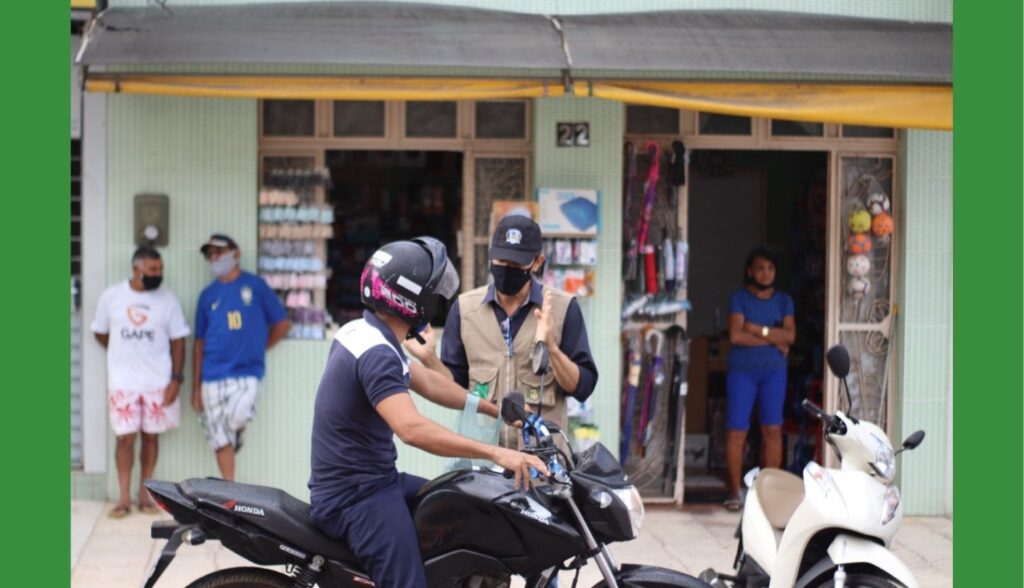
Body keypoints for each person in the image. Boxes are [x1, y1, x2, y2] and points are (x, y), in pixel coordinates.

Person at [309, 237, 548, 588]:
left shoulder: (366, 333)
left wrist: (494, 409)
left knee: (469, 506)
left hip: (375, 481)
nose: (435, 302)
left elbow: (431, 384)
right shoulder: (376, 353)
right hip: (357, 497)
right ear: (410, 300)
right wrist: (497, 452)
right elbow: (411, 429)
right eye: (431, 294)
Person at [405, 215, 598, 449]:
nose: (506, 270)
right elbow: (456, 390)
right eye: (501, 261)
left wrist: (552, 349)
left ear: (537, 262)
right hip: (483, 463)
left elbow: (583, 387)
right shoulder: (465, 310)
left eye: (516, 265)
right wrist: (429, 359)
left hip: (542, 467)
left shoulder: (563, 309)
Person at [91, 246, 190, 519]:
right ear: (137, 270)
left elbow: (179, 340)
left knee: (150, 437)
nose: (158, 275)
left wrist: (176, 379)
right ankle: (123, 498)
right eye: (152, 270)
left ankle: (144, 495)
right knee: (125, 438)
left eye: (160, 270)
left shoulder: (168, 300)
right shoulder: (112, 296)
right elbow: (100, 333)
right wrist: (122, 352)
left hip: (158, 382)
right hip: (123, 382)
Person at [192, 234, 290, 481]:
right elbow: (199, 342)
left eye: (219, 252)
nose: (214, 258)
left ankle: (238, 434)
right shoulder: (207, 295)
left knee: (236, 419)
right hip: (212, 373)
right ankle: (229, 486)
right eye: (210, 254)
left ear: (235, 253)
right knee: (218, 436)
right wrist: (195, 387)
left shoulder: (255, 286)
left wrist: (260, 347)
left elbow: (281, 323)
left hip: (247, 371)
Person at [724, 247, 796, 511]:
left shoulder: (784, 301)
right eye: (760, 268)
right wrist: (772, 337)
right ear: (750, 271)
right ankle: (734, 493)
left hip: (774, 373)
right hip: (742, 372)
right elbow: (735, 336)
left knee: (773, 430)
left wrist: (752, 327)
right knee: (736, 432)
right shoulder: (739, 298)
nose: (766, 274)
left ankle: (769, 496)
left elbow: (790, 337)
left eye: (771, 268)